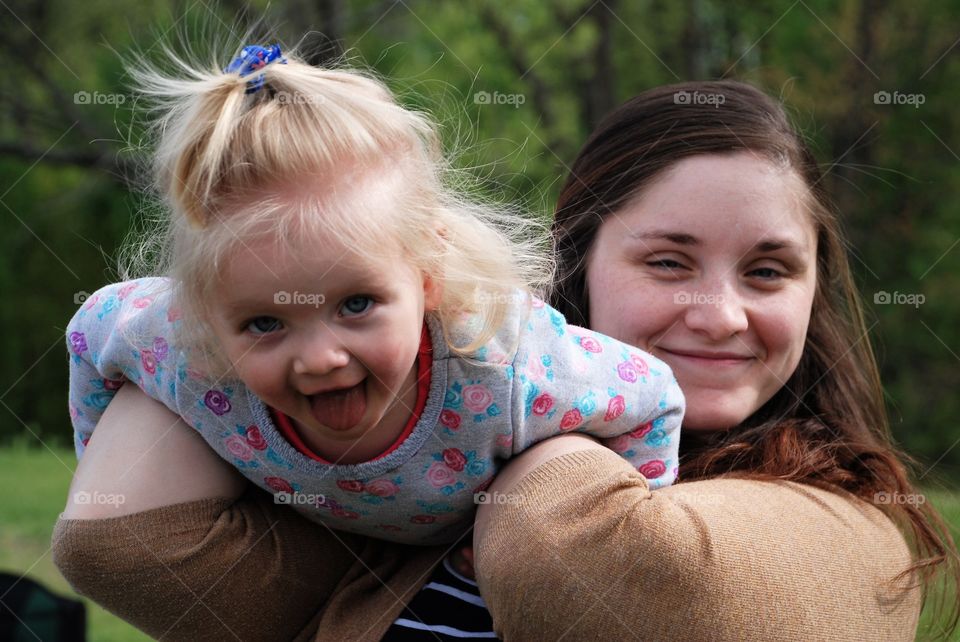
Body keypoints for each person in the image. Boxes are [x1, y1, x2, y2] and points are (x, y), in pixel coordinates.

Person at [53, 78, 960, 641]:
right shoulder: (421, 467)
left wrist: (546, 440)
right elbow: (125, 545)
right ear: (576, 269)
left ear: (813, 293)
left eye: (769, 270)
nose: (718, 314)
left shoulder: (854, 525)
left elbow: (579, 558)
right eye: (668, 261)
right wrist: (204, 346)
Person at [64, 42, 683, 547]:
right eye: (263, 323)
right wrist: (99, 456)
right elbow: (89, 332)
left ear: (427, 272)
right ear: (204, 313)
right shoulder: (177, 347)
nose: (320, 358)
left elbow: (652, 398)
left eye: (356, 306)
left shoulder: (506, 371)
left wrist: (622, 537)